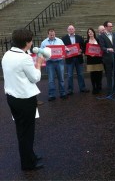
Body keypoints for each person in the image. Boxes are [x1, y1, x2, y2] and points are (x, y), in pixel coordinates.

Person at [2, 28, 45, 171]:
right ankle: (27, 164)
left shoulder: (7, 54)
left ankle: (30, 156)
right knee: (27, 132)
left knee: (22, 130)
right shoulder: (24, 58)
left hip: (12, 97)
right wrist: (38, 63)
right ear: (26, 42)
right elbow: (35, 78)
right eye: (31, 40)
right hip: (24, 99)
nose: (32, 43)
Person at [40, 28, 67, 101]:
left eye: (53, 34)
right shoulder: (44, 43)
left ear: (55, 34)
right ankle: (52, 95)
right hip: (50, 62)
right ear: (48, 34)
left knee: (61, 79)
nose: (52, 36)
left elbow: (64, 49)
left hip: (59, 62)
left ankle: (63, 93)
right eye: (50, 35)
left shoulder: (60, 41)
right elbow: (41, 53)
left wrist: (66, 51)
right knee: (51, 80)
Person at [62, 25, 89, 95]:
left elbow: (83, 47)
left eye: (72, 29)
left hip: (78, 58)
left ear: (74, 30)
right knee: (70, 75)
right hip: (69, 59)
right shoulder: (64, 38)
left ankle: (82, 88)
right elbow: (62, 48)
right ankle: (70, 90)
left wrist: (81, 50)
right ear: (67, 30)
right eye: (69, 29)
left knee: (80, 74)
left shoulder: (79, 37)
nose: (71, 30)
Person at [99, 21, 115, 96]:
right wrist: (107, 49)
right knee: (109, 75)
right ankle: (109, 91)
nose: (111, 27)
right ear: (105, 27)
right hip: (107, 58)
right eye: (109, 26)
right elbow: (102, 47)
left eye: (112, 26)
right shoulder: (101, 36)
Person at [83, 28, 104, 94]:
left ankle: (98, 86)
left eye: (91, 32)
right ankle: (94, 87)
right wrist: (89, 54)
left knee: (99, 74)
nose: (90, 33)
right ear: (88, 34)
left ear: (94, 33)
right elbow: (84, 51)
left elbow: (101, 48)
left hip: (98, 60)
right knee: (93, 74)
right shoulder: (86, 42)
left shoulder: (98, 40)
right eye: (89, 32)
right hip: (90, 60)